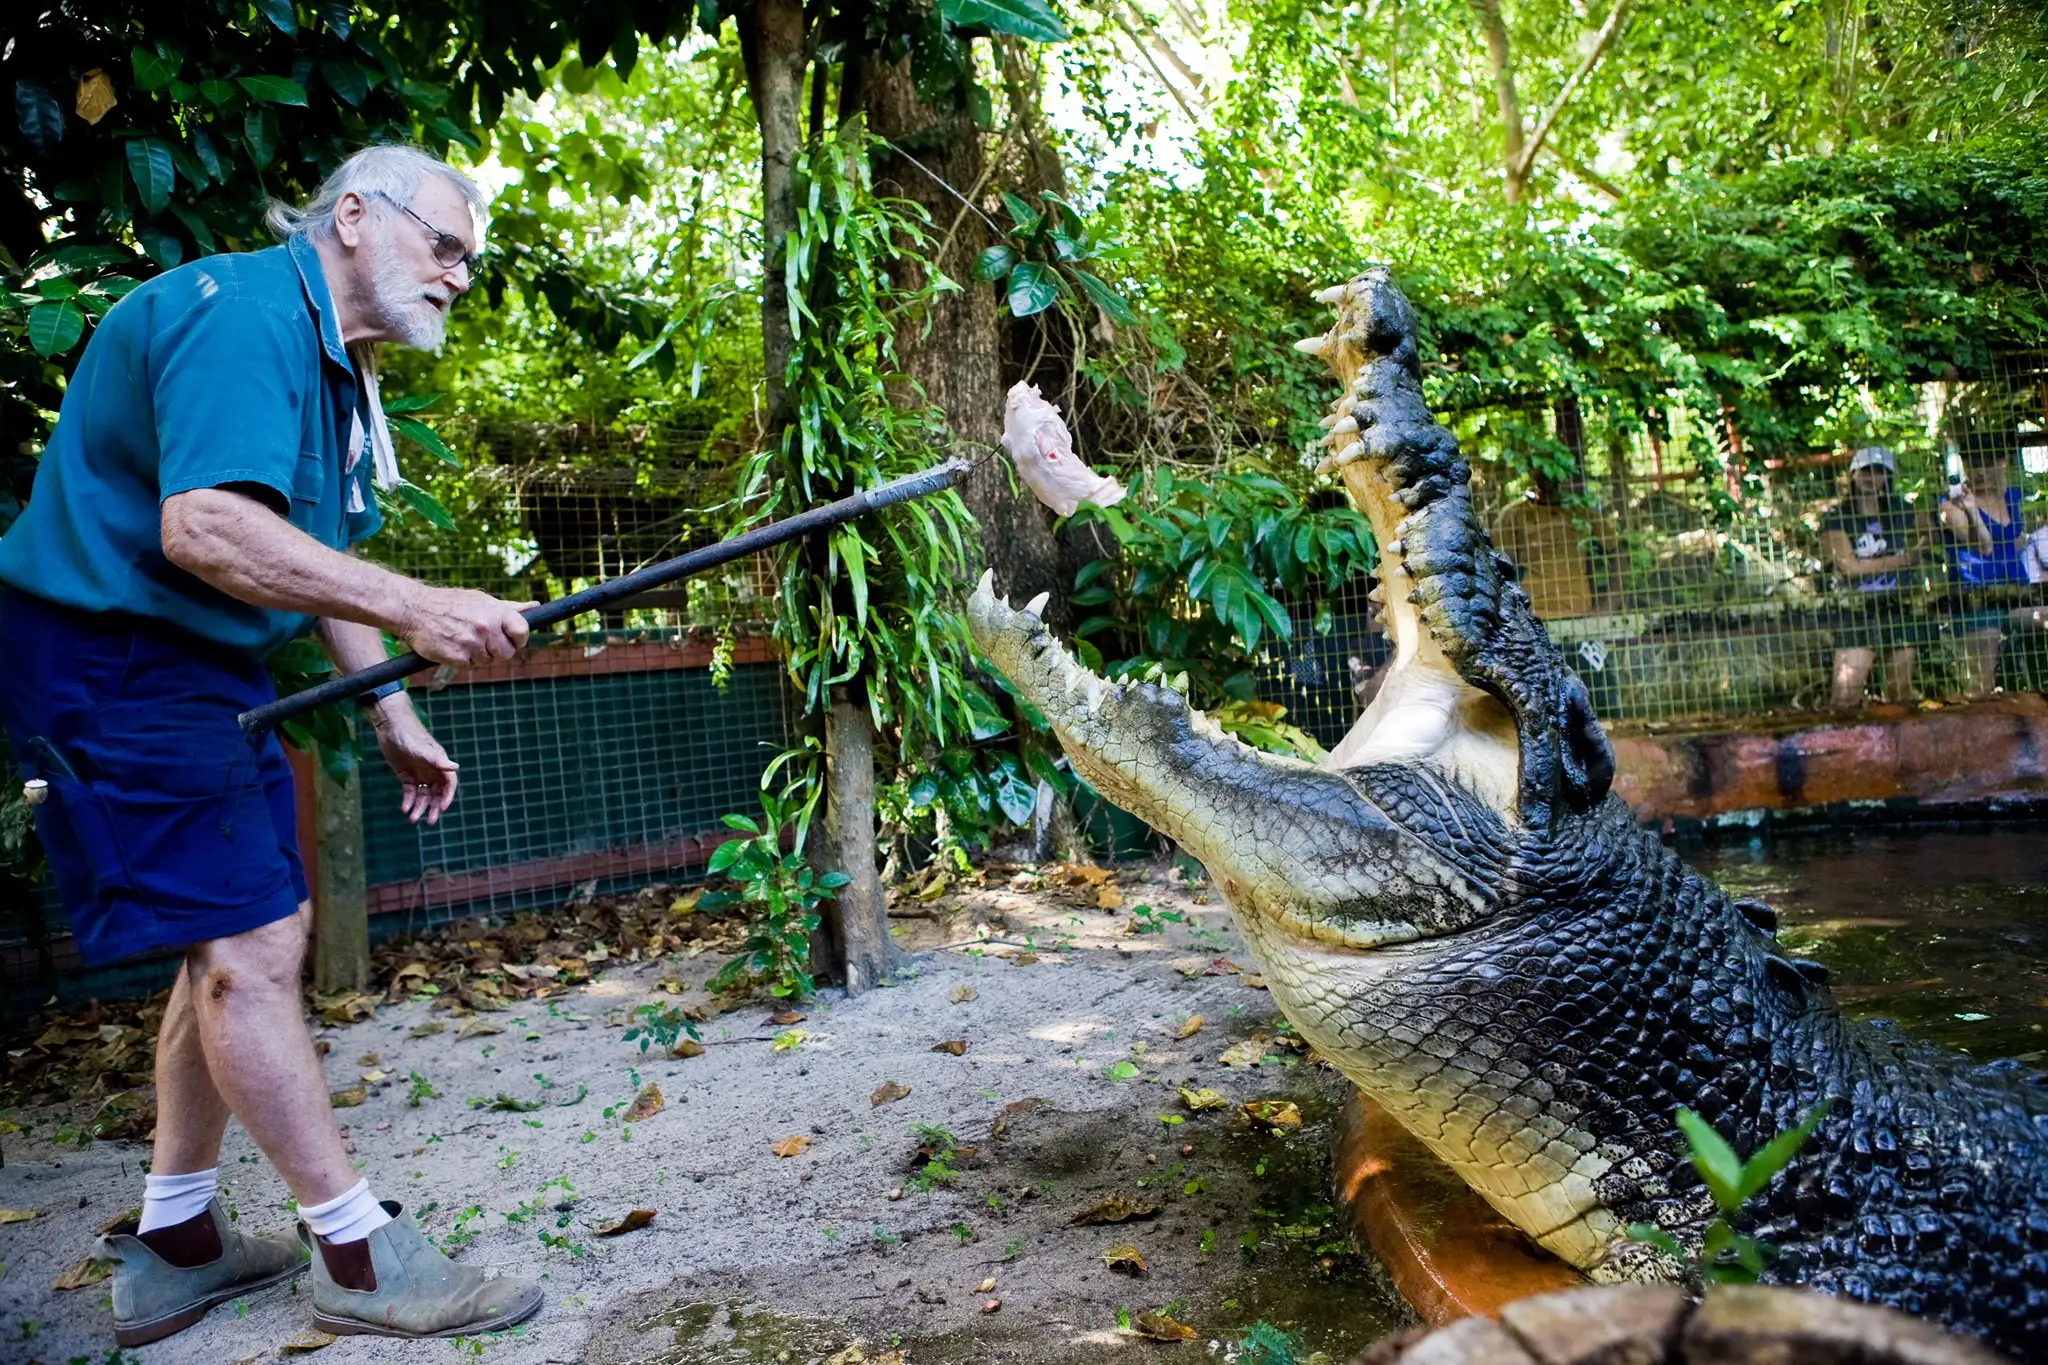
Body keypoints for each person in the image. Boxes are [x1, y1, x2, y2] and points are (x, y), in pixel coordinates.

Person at [0, 146, 544, 1347]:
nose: (457, 274)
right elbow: (204, 528)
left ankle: (179, 1243)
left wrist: (392, 710)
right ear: (353, 215)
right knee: (249, 945)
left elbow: (302, 567)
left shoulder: (334, 367)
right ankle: (355, 1253)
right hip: (106, 657)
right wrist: (417, 601)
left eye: (469, 258)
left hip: (189, 660)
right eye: (442, 244)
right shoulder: (246, 315)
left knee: (249, 933)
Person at [1819, 445, 1926, 710]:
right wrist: (1902, 560)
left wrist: (1918, 552)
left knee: (1900, 692)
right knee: (1846, 696)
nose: (1872, 478)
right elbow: (1850, 567)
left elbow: (1928, 537)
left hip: (1898, 605)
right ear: (1853, 474)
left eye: (1879, 472)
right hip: (1857, 610)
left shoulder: (1902, 510)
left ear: (1888, 477)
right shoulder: (1837, 517)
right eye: (1866, 472)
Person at [1939, 433, 2031, 697]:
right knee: (1981, 683)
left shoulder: (2012, 497)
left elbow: (2017, 542)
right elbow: (1983, 547)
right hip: (1977, 599)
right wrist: (1971, 511)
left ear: (2002, 463)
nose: (1981, 471)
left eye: (1988, 462)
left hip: (2017, 592)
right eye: (1974, 463)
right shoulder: (1949, 504)